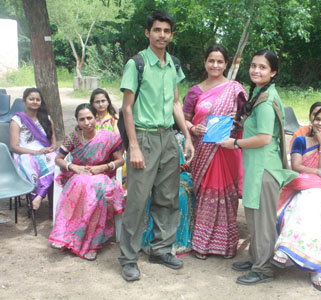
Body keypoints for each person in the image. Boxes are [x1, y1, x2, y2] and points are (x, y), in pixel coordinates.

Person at [118, 10, 195, 281]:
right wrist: (134, 147)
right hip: (144, 137)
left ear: (171, 35)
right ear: (147, 32)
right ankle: (128, 258)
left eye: (166, 31)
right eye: (157, 30)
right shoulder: (136, 63)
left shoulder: (173, 63)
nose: (162, 35)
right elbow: (127, 109)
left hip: (168, 138)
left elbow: (176, 103)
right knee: (138, 201)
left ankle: (161, 249)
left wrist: (186, 136)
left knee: (168, 198)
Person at [218, 50, 296, 285]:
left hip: (264, 168)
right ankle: (256, 259)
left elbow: (263, 138)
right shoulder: (259, 93)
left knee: (262, 221)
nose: (256, 70)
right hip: (256, 166)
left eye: (262, 67)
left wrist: (235, 143)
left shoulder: (266, 100)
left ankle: (264, 269)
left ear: (273, 72)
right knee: (253, 215)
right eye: (253, 66)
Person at [273, 106, 321, 291]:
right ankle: (310, 266)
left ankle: (310, 264)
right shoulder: (300, 140)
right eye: (318, 119)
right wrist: (317, 173)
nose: (320, 124)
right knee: (309, 198)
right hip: (298, 189)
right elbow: (297, 167)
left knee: (314, 204)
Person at [182, 44, 247, 260]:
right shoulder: (195, 91)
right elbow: (184, 118)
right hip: (202, 149)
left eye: (220, 61)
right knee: (206, 193)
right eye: (211, 60)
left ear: (226, 64)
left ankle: (226, 244)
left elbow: (245, 119)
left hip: (226, 149)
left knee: (225, 195)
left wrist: (235, 121)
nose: (215, 65)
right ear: (205, 63)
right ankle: (202, 244)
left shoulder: (235, 89)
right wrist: (192, 128)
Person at [49, 103, 125, 261]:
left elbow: (120, 161)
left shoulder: (109, 137)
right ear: (77, 121)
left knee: (94, 189)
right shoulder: (73, 138)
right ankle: (64, 236)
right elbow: (58, 159)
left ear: (96, 117)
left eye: (89, 117)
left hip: (102, 176)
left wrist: (104, 167)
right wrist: (72, 166)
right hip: (79, 176)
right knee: (81, 183)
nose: (86, 122)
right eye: (82, 119)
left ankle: (91, 244)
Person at [9, 87, 57, 212]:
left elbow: (53, 141)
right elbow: (14, 147)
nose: (35, 101)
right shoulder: (17, 120)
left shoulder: (46, 118)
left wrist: (51, 148)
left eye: (37, 99)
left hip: (45, 152)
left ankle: (40, 196)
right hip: (24, 154)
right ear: (24, 101)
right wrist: (36, 152)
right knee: (40, 163)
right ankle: (38, 195)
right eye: (31, 99)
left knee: (58, 162)